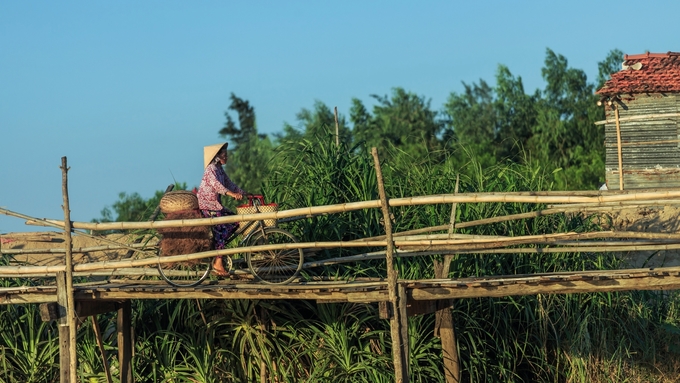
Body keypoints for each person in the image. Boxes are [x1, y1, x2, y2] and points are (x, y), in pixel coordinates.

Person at [197, 142, 245, 276]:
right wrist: (232, 194)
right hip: (208, 205)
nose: (227, 157)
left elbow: (229, 183)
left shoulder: (219, 169)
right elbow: (217, 186)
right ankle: (218, 262)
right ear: (217, 156)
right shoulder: (211, 169)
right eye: (225, 155)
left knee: (235, 221)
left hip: (216, 205)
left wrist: (243, 192)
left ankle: (217, 246)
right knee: (221, 230)